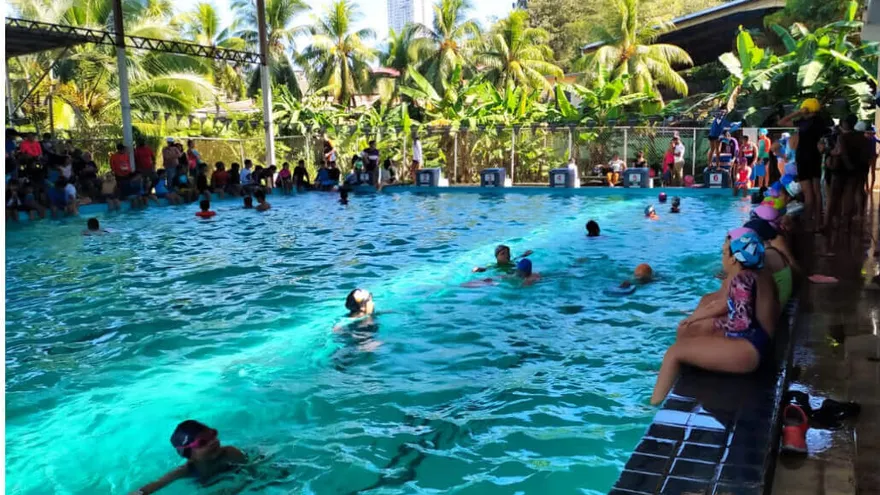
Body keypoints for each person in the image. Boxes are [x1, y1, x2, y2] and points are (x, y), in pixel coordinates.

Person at [651, 231, 777, 405]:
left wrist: (716, 325)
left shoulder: (742, 280)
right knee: (691, 332)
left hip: (750, 348)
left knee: (674, 352)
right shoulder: (752, 275)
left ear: (734, 259)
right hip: (756, 342)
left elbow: (741, 323)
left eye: (724, 253)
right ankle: (671, 375)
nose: (722, 258)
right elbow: (725, 305)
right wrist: (694, 318)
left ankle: (652, 406)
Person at [130, 420, 247, 495]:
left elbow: (253, 471)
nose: (212, 442)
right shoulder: (187, 470)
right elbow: (156, 484)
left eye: (212, 435)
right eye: (202, 443)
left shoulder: (230, 453)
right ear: (189, 456)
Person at [779, 98, 830, 230]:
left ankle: (808, 223)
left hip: (803, 158)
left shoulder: (803, 122)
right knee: (817, 191)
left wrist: (797, 113)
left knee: (808, 193)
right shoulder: (820, 122)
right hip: (815, 158)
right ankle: (818, 223)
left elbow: (781, 122)